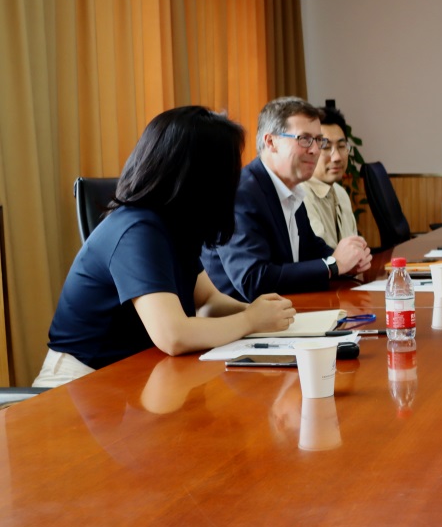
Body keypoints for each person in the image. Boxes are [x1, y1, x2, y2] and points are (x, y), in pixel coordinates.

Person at [34, 107, 296, 387]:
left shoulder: (173, 225)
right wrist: (251, 321)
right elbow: (173, 336)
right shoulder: (137, 229)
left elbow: (207, 302)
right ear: (201, 175)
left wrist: (257, 312)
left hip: (134, 373)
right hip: (80, 381)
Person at [202, 97, 372, 301]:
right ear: (271, 142)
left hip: (286, 309)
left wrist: (349, 261)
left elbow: (310, 249)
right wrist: (333, 265)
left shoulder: (290, 188)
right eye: (304, 139)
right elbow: (253, 279)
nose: (315, 150)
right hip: (238, 316)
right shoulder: (240, 194)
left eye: (319, 140)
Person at [300, 103, 359, 248]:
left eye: (341, 146)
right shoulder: (299, 196)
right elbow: (320, 255)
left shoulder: (340, 193)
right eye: (326, 147)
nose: (337, 157)